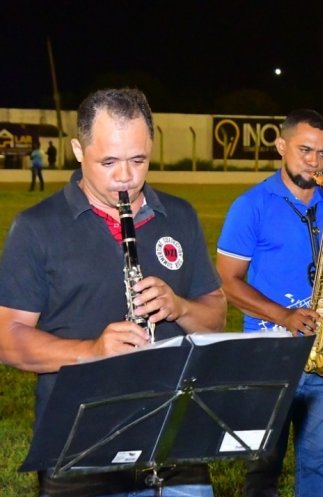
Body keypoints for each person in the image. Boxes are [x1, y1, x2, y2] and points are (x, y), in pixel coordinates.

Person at [0, 88, 227, 497]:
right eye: (108, 162)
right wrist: (92, 351)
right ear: (77, 150)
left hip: (174, 445)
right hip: (80, 452)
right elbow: (9, 339)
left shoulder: (180, 215)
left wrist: (178, 306)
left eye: (138, 160)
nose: (126, 177)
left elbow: (215, 315)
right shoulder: (35, 227)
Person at [216, 108, 323, 497]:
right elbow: (228, 282)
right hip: (268, 351)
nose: (316, 162)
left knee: (318, 462)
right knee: (263, 466)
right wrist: (284, 315)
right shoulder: (250, 205)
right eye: (305, 150)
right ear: (281, 146)